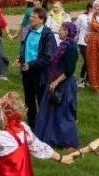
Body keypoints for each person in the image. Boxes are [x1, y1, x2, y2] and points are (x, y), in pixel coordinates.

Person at [34, 21, 81, 149]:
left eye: (61, 29)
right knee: (52, 110)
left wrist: (56, 81)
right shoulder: (63, 45)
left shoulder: (70, 48)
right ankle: (51, 136)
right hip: (55, 80)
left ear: (66, 32)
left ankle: (65, 139)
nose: (59, 31)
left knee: (63, 112)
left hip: (63, 84)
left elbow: (69, 70)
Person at [18, 6, 55, 124]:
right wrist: (21, 58)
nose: (30, 18)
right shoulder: (29, 30)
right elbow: (25, 47)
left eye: (34, 17)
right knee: (29, 99)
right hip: (26, 70)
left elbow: (49, 57)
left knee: (41, 100)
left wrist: (32, 64)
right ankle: (32, 124)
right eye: (31, 16)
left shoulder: (47, 35)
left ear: (41, 19)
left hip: (40, 73)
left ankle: (44, 125)